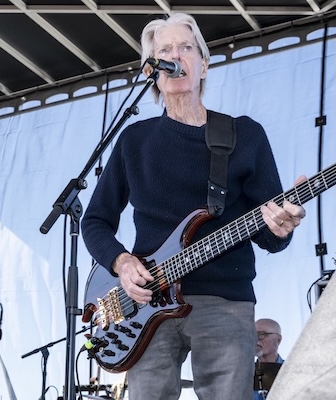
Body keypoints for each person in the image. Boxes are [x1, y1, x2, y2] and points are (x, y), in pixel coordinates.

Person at [81, 12, 306, 400]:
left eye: (186, 48)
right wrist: (122, 263)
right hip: (145, 307)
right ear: (151, 69)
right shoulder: (134, 141)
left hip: (225, 301)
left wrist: (282, 227)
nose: (176, 55)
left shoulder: (243, 135)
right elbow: (95, 220)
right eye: (164, 50)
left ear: (203, 64)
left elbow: (271, 236)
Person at [254, 319, 284, 400]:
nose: (256, 339)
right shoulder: (244, 373)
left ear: (278, 340)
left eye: (262, 334)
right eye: (253, 334)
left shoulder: (292, 369)